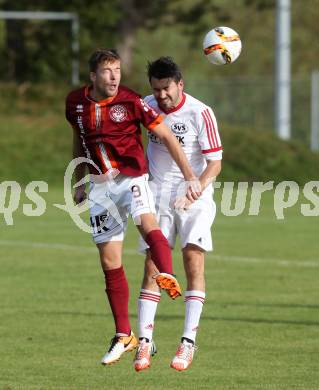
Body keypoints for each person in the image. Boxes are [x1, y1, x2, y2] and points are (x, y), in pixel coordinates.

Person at [65, 49, 201, 366]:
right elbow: (78, 139)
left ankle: (166, 273)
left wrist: (190, 175)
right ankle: (124, 336)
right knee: (109, 262)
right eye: (107, 71)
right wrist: (79, 178)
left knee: (147, 223)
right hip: (100, 186)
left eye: (118, 70)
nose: (114, 76)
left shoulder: (130, 100)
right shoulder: (74, 103)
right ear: (92, 76)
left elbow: (166, 134)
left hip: (132, 179)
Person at [133, 57, 222, 372]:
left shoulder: (201, 112)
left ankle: (188, 342)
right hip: (156, 196)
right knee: (153, 266)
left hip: (194, 196)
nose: (161, 96)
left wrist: (197, 185)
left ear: (180, 84)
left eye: (166, 89)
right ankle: (144, 342)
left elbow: (215, 162)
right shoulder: (144, 105)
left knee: (192, 260)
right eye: (156, 89)